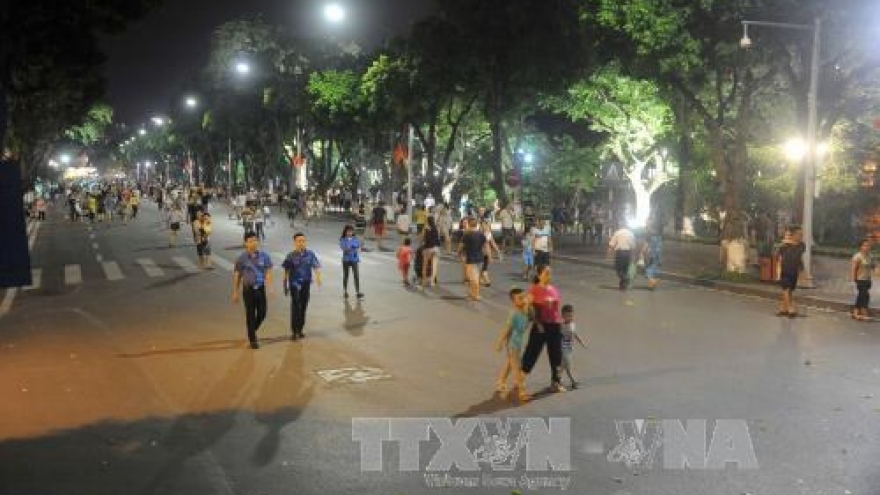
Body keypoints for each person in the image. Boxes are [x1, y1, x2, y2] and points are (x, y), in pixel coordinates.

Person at [521, 265, 566, 394]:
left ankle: (556, 382)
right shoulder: (534, 290)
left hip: (555, 326)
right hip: (540, 326)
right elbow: (528, 308)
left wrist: (561, 323)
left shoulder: (554, 289)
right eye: (546, 273)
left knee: (556, 355)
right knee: (531, 353)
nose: (549, 276)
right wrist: (537, 322)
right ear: (539, 275)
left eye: (550, 273)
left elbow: (556, 310)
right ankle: (521, 379)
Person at [232, 232, 274, 349]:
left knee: (262, 313)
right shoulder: (241, 258)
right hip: (248, 290)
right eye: (250, 241)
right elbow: (237, 275)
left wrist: (270, 286)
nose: (253, 243)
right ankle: (253, 339)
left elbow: (269, 271)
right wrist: (235, 291)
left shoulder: (264, 256)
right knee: (250, 314)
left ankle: (251, 330)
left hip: (260, 289)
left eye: (255, 240)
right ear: (245, 243)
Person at [494, 287, 532, 402]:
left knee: (511, 364)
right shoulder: (514, 314)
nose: (523, 299)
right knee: (517, 367)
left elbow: (531, 312)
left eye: (523, 297)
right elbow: (507, 329)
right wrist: (499, 342)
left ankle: (500, 381)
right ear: (513, 301)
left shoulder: (525, 310)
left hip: (518, 342)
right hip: (512, 343)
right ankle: (522, 391)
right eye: (520, 298)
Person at [282, 233, 322, 340]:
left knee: (303, 306)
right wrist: (285, 285)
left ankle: (300, 329)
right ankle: (294, 331)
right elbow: (286, 271)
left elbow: (316, 266)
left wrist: (318, 277)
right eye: (299, 241)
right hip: (294, 284)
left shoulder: (310, 254)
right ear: (295, 242)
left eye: (303, 241)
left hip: (306, 284)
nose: (301, 243)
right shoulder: (290, 256)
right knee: (296, 307)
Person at [775, 226, 805, 317]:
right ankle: (790, 309)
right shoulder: (783, 247)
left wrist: (802, 270)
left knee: (790, 291)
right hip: (785, 271)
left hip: (794, 272)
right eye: (799, 234)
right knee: (786, 289)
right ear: (793, 235)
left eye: (801, 234)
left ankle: (783, 308)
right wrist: (778, 272)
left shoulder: (802, 245)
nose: (801, 236)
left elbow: (799, 257)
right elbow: (779, 259)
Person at [458, 217, 486, 301]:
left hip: (471, 259)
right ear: (476, 225)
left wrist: (458, 253)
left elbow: (461, 246)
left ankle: (476, 295)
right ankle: (472, 293)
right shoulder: (481, 234)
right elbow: (484, 247)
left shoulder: (467, 235)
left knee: (473, 278)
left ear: (469, 225)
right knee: (475, 277)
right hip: (480, 259)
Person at [560, 304, 587, 389]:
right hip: (563, 348)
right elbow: (558, 336)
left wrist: (581, 341)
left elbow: (574, 333)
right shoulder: (561, 326)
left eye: (571, 315)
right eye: (567, 316)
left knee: (563, 366)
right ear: (563, 316)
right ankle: (573, 382)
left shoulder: (572, 324)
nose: (569, 317)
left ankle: (556, 380)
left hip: (569, 348)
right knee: (568, 366)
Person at [851, 239, 875, 321]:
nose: (867, 247)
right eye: (865, 245)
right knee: (865, 296)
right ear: (860, 247)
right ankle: (864, 312)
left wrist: (876, 270)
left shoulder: (870, 256)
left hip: (867, 280)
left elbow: (873, 266)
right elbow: (854, 268)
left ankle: (855, 313)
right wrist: (854, 278)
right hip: (860, 279)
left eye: (868, 245)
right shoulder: (857, 256)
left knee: (861, 296)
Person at [339, 225, 364, 299]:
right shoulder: (342, 239)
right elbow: (344, 248)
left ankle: (358, 292)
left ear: (353, 232)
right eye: (348, 231)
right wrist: (351, 247)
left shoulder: (355, 239)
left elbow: (359, 246)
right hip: (346, 260)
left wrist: (358, 246)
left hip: (354, 260)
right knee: (346, 276)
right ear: (345, 232)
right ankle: (345, 291)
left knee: (356, 276)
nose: (350, 232)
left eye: (351, 231)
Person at [608, 225, 636, 290]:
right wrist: (633, 256)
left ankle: (625, 279)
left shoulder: (617, 233)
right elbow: (633, 247)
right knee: (625, 270)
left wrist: (609, 255)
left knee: (618, 269)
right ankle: (622, 286)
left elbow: (611, 245)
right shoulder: (631, 233)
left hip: (620, 253)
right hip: (628, 253)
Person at [419, 216, 442, 287]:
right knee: (434, 266)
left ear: (427, 221)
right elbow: (438, 238)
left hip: (428, 248)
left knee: (425, 265)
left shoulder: (426, 228)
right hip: (436, 248)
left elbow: (421, 238)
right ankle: (432, 282)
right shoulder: (436, 228)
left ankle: (423, 282)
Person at [480, 220, 502, 287]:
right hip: (479, 253)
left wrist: (498, 252)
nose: (484, 227)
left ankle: (481, 279)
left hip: (486, 253)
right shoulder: (478, 233)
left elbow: (493, 243)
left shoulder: (488, 234)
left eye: (485, 225)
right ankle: (487, 281)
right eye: (482, 225)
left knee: (484, 267)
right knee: (483, 268)